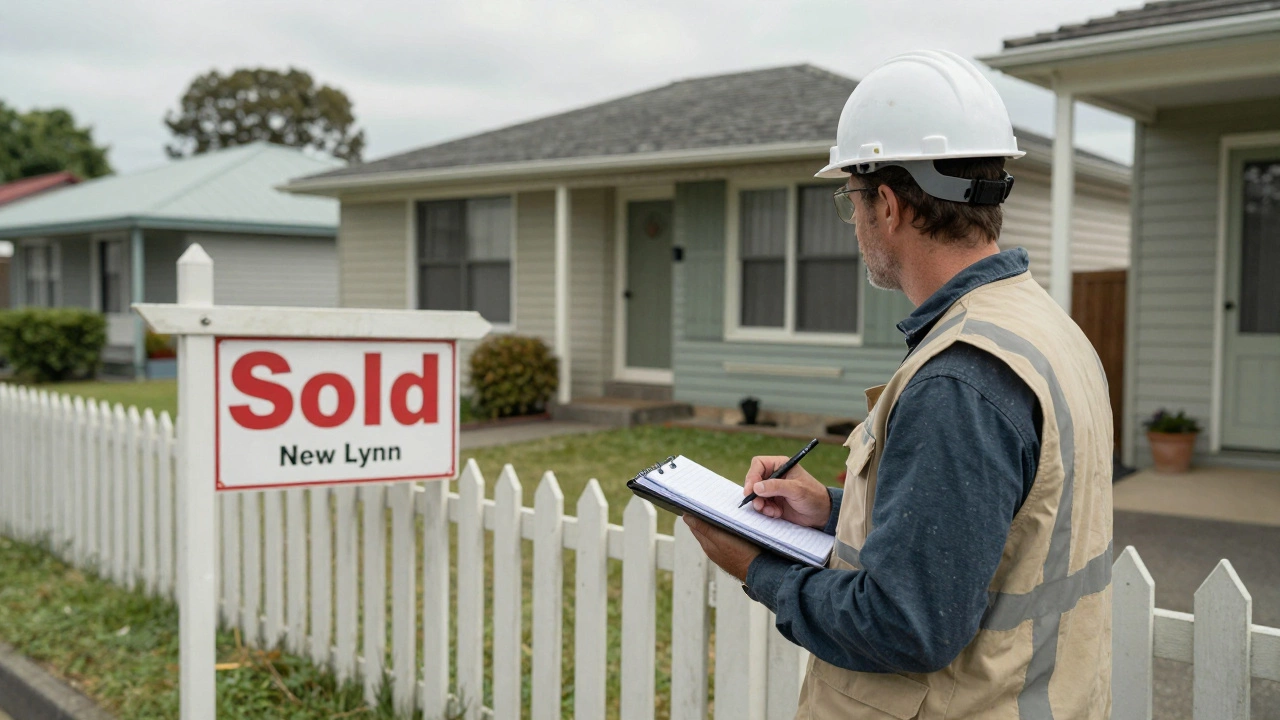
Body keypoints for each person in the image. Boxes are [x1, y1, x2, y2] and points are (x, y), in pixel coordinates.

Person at [683, 50, 1114, 719]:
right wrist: (828, 509)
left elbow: (905, 623)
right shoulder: (1045, 329)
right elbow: (996, 527)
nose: (854, 221)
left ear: (886, 204)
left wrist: (758, 569)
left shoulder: (960, 379)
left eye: (850, 198)